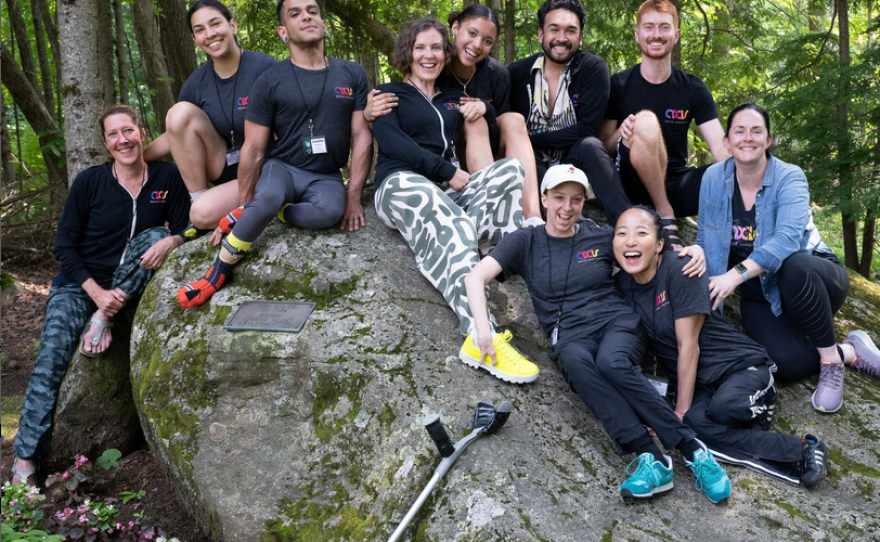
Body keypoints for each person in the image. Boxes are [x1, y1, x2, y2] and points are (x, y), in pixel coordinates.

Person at [464, 164, 731, 502]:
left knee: (612, 362)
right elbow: (475, 278)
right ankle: (651, 457)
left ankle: (692, 449)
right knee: (574, 363)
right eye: (559, 198)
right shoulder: (525, 242)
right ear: (544, 199)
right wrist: (483, 330)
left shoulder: (600, 235)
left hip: (617, 322)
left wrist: (691, 251)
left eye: (576, 199)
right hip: (570, 335)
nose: (567, 207)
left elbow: (645, 250)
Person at [11, 105, 189, 487]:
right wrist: (96, 293)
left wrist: (174, 238)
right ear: (105, 143)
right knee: (51, 357)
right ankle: (25, 462)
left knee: (158, 236)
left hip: (128, 287)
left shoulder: (167, 175)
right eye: (113, 134)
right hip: (79, 286)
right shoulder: (91, 182)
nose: (123, 140)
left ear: (143, 133)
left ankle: (104, 318)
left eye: (129, 131)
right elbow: (64, 246)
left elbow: (188, 226)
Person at [614, 205, 830, 489]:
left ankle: (771, 418)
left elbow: (688, 345)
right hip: (699, 385)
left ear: (659, 244)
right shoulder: (620, 285)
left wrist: (677, 413)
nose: (630, 241)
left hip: (740, 366)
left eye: (641, 233)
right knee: (696, 429)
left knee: (720, 411)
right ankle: (802, 450)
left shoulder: (682, 268)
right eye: (621, 233)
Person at [372, 17, 537, 385]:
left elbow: (484, 114)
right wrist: (446, 171)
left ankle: (502, 253)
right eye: (420, 47)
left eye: (435, 48)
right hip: (401, 185)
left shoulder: (449, 98)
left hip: (448, 193)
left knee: (509, 170)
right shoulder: (389, 93)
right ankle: (482, 337)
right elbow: (394, 143)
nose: (428, 55)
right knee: (452, 220)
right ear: (407, 53)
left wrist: (486, 109)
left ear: (445, 54)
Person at [177, 0, 373, 308]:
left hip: (325, 176)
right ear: (284, 32)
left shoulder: (352, 73)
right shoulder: (269, 80)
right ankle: (218, 270)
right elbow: (254, 149)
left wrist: (353, 196)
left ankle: (277, 210)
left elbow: (362, 137)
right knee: (266, 197)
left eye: (312, 11)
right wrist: (245, 203)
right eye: (295, 14)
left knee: (328, 213)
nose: (306, 16)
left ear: (323, 23)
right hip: (281, 167)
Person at [696, 104, 880, 413]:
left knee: (791, 265)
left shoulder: (789, 177)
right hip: (760, 293)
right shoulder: (714, 179)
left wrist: (733, 276)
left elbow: (786, 241)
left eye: (757, 131)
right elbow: (706, 240)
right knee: (785, 364)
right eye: (739, 131)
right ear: (726, 142)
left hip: (813, 278)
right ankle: (849, 350)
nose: (747, 138)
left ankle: (831, 363)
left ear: (768, 141)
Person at [365, 4, 542, 223]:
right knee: (470, 118)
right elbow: (410, 107)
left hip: (486, 151)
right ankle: (487, 207)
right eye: (472, 33)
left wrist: (486, 108)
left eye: (487, 41)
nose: (477, 45)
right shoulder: (435, 66)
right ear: (455, 28)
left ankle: (532, 216)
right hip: (448, 158)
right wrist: (369, 114)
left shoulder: (497, 74)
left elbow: (498, 129)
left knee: (512, 119)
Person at [593, 0, 727, 248]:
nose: (656, 35)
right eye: (649, 27)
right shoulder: (618, 85)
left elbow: (721, 150)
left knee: (736, 167)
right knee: (644, 121)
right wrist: (622, 135)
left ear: (676, 35)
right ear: (637, 34)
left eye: (664, 27)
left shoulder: (693, 88)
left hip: (677, 186)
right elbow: (601, 149)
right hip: (631, 186)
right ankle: (664, 215)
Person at [143, 0, 277, 236]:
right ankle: (199, 197)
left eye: (215, 24)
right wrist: (136, 158)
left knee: (202, 215)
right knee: (178, 112)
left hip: (263, 168)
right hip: (224, 167)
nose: (210, 34)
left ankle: (271, 199)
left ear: (233, 26)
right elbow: (177, 131)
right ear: (195, 40)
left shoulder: (264, 67)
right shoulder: (196, 84)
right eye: (200, 30)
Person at [507, 0, 631, 225]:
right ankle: (566, 222)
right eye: (554, 29)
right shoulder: (516, 73)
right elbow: (505, 131)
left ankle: (626, 223)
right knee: (522, 157)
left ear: (581, 37)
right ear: (540, 34)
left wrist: (530, 140)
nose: (561, 38)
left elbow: (587, 129)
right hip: (530, 167)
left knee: (591, 145)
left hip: (573, 161)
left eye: (570, 31)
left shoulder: (592, 68)